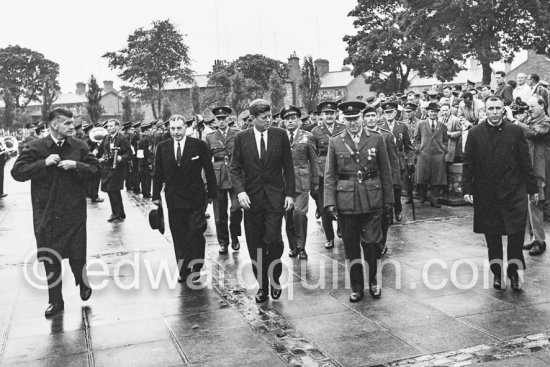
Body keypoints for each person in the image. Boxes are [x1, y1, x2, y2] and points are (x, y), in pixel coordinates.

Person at [11, 108, 100, 317]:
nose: (72, 127)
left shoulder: (79, 146)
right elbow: (17, 172)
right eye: (67, 123)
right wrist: (43, 163)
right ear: (54, 125)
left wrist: (76, 165)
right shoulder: (36, 147)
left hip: (74, 211)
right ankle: (55, 301)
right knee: (51, 258)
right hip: (47, 213)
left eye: (72, 123)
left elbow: (96, 169)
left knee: (77, 254)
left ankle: (83, 281)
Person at [463, 95, 538, 291]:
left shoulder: (514, 131)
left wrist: (532, 188)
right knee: (493, 238)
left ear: (504, 109)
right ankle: (497, 274)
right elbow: (468, 164)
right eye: (491, 108)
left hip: (514, 193)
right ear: (484, 111)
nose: (495, 112)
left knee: (516, 237)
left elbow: (525, 162)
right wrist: (467, 189)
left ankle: (514, 273)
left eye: (498, 108)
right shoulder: (475, 133)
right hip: (487, 194)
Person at [325, 101, 393, 302]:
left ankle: (373, 280)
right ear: (343, 120)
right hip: (346, 200)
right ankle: (356, 287)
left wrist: (389, 200)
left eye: (356, 119)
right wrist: (329, 202)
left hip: (372, 198)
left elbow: (386, 171)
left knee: (372, 243)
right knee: (351, 245)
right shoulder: (335, 141)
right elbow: (330, 175)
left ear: (362, 118)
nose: (353, 123)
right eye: (349, 119)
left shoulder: (376, 138)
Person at [229, 99, 295, 303]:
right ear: (253, 119)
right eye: (265, 118)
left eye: (271, 116)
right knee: (255, 244)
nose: (270, 120)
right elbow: (235, 168)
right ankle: (262, 286)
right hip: (252, 200)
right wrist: (240, 192)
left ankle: (274, 279)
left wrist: (290, 194)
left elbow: (288, 167)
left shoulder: (280, 135)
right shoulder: (242, 138)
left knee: (274, 240)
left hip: (275, 198)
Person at [152, 115, 217, 283]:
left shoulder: (199, 146)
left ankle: (196, 265)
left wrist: (212, 194)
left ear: (185, 128)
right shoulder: (163, 147)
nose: (176, 132)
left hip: (196, 198)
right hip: (174, 199)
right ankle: (183, 269)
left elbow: (209, 170)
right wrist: (156, 195)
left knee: (195, 232)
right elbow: (158, 173)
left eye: (179, 128)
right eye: (172, 129)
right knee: (179, 233)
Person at [281, 105, 319, 260]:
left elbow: (314, 160)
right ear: (283, 122)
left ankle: (302, 246)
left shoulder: (307, 136)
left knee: (300, 214)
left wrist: (315, 181)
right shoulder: (279, 136)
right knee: (288, 215)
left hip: (302, 181)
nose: (290, 122)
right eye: (287, 119)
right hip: (284, 182)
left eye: (293, 118)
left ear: (298, 120)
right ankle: (293, 246)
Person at [205, 106, 243, 254]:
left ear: (229, 119)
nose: (221, 121)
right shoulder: (210, 137)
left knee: (236, 209)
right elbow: (206, 162)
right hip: (218, 177)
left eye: (224, 118)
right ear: (215, 121)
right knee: (220, 213)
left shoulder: (237, 135)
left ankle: (234, 236)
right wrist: (207, 182)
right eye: (218, 119)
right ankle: (223, 242)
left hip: (235, 175)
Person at [515, 96, 550, 256]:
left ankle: (540, 241)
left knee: (536, 202)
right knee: (530, 202)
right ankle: (533, 237)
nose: (529, 109)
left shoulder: (546, 122)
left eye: (532, 106)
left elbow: (533, 133)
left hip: (540, 167)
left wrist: (516, 122)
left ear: (542, 105)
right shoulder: (531, 119)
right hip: (531, 165)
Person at [364, 105, 400, 254]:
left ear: (377, 117)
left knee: (384, 216)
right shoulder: (360, 136)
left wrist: (395, 182)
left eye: (373, 116)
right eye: (367, 116)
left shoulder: (386, 136)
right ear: (363, 118)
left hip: (383, 181)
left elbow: (393, 161)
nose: (371, 119)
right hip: (367, 182)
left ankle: (381, 243)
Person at [311, 101, 346, 249]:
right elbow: (313, 155)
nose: (329, 116)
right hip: (323, 173)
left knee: (342, 203)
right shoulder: (315, 131)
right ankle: (329, 237)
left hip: (341, 171)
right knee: (324, 206)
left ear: (336, 114)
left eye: (332, 113)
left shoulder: (343, 128)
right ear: (322, 115)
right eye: (326, 113)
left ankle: (341, 228)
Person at [380, 101, 412, 221]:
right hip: (384, 160)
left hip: (398, 161)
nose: (388, 115)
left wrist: (410, 161)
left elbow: (408, 147)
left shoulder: (402, 126)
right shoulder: (380, 127)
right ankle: (388, 213)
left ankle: (397, 209)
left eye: (390, 112)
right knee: (386, 187)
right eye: (386, 112)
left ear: (395, 112)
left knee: (397, 188)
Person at [97, 119, 132, 222]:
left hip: (117, 169)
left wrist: (121, 157)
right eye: (108, 126)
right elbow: (101, 151)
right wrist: (99, 157)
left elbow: (130, 153)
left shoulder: (122, 138)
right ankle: (120, 212)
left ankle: (115, 213)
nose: (109, 128)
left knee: (113, 190)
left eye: (111, 126)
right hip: (107, 168)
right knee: (112, 191)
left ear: (117, 127)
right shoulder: (106, 137)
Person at [415, 102, 448, 207]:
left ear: (438, 113)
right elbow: (416, 138)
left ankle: (434, 200)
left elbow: (445, 140)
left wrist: (444, 149)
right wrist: (419, 148)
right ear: (428, 112)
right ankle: (422, 196)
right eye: (431, 111)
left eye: (435, 112)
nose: (433, 113)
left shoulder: (442, 126)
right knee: (423, 177)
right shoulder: (421, 124)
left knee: (437, 179)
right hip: (424, 154)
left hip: (438, 155)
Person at [137, 121, 154, 198]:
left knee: (143, 178)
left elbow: (140, 153)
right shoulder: (146, 140)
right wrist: (149, 163)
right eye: (148, 130)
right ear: (145, 131)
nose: (149, 131)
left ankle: (145, 192)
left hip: (141, 162)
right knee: (147, 178)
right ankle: (147, 193)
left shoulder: (141, 139)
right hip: (146, 162)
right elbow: (147, 153)